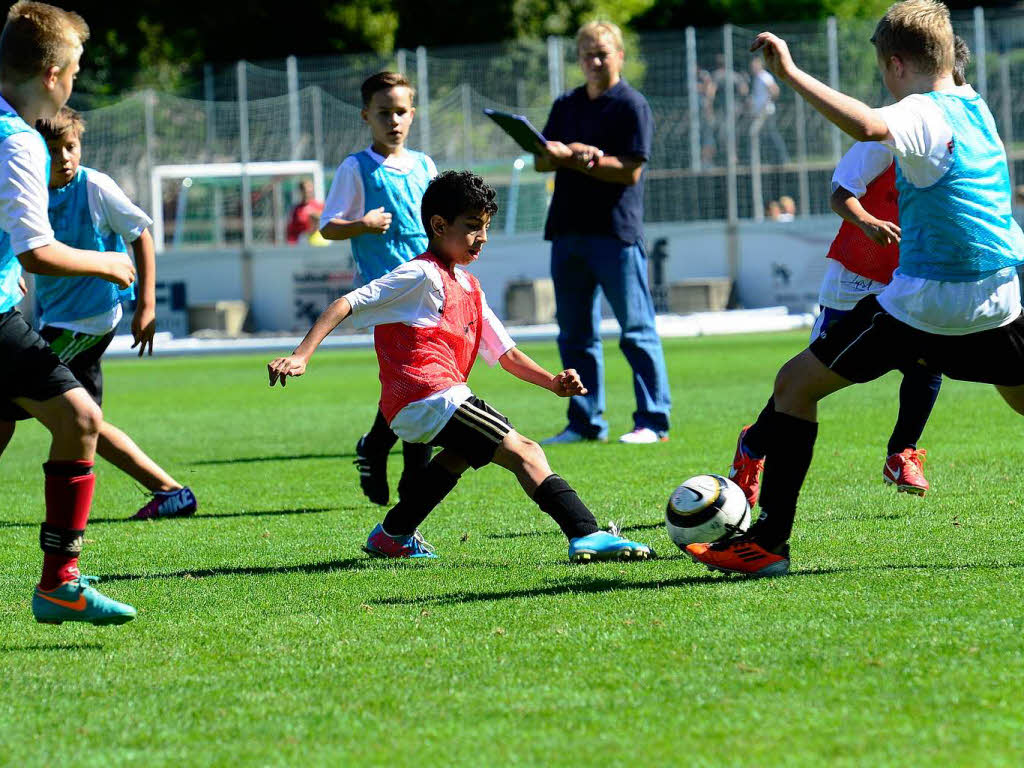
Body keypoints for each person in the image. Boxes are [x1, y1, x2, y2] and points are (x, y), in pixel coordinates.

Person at [689, 0, 1024, 577]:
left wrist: (788, 73)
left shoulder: (921, 111)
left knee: (794, 385)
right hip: (1001, 301)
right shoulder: (977, 109)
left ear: (895, 64)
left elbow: (869, 125)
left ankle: (769, 543)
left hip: (927, 307)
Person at [269, 171, 653, 563]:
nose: (482, 238)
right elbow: (346, 303)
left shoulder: (468, 286)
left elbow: (507, 354)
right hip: (429, 398)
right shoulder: (420, 274)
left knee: (461, 454)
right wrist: (302, 355)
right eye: (472, 227)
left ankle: (393, 534)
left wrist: (552, 383)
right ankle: (586, 533)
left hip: (426, 404)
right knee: (525, 451)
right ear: (439, 225)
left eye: (485, 228)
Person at [0, 2, 138, 623]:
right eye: (77, 70)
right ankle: (60, 580)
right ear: (53, 73)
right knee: (80, 419)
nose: (76, 82)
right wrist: (106, 263)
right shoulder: (19, 140)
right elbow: (36, 249)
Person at [0, 107, 197, 520]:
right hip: (57, 320)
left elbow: (140, 233)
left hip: (88, 321)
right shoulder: (28, 187)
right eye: (53, 151)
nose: (65, 158)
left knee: (13, 400)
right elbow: (25, 243)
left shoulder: (95, 187)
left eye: (71, 147)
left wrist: (146, 305)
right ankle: (171, 492)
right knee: (81, 417)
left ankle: (169, 491)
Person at [534, 21, 672, 445]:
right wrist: (559, 154)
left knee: (636, 329)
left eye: (603, 53)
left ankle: (653, 420)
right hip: (566, 231)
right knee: (575, 334)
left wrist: (577, 158)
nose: (595, 61)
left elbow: (630, 171)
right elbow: (543, 161)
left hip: (615, 234)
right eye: (587, 54)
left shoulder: (632, 104)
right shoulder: (566, 104)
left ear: (619, 56)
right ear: (578, 59)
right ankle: (585, 421)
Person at [318, 71, 437, 507]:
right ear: (366, 116)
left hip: (427, 289)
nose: (394, 121)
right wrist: (361, 224)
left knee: (419, 381)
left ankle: (376, 447)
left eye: (401, 112)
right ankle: (412, 483)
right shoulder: (357, 167)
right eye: (384, 113)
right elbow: (328, 226)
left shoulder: (425, 166)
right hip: (385, 294)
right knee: (420, 381)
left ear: (413, 114)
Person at [749, 55, 789, 164]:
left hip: (766, 112)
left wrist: (767, 104)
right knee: (766, 136)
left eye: (754, 65)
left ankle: (782, 159)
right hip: (761, 112)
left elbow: (775, 90)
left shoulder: (764, 77)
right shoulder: (757, 78)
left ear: (760, 65)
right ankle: (773, 159)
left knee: (769, 134)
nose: (752, 67)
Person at [286, 179, 323, 244]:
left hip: (319, 241)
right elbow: (292, 230)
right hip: (302, 243)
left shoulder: (320, 206)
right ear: (301, 191)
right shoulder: (296, 210)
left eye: (310, 190)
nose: (308, 192)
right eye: (305, 190)